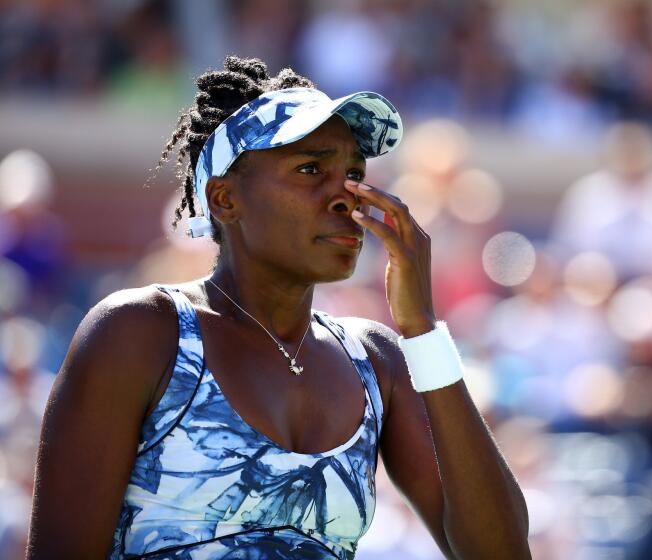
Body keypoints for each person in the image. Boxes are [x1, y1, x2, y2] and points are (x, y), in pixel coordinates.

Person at [26, 56, 530, 559]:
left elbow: (501, 552)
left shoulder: (377, 360)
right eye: (311, 169)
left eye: (354, 173)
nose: (345, 198)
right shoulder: (140, 333)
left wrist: (422, 330)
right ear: (224, 199)